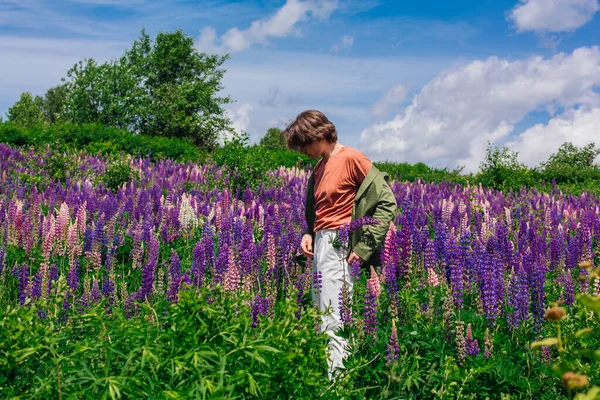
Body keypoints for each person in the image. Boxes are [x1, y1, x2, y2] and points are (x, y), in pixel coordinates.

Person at [283, 110, 397, 379]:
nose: (302, 152)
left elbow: (387, 202)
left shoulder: (352, 158)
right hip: (322, 243)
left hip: (341, 242)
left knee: (334, 315)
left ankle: (338, 383)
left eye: (303, 144)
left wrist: (364, 246)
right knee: (321, 312)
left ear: (319, 135)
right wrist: (309, 232)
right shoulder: (319, 166)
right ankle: (331, 375)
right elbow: (319, 209)